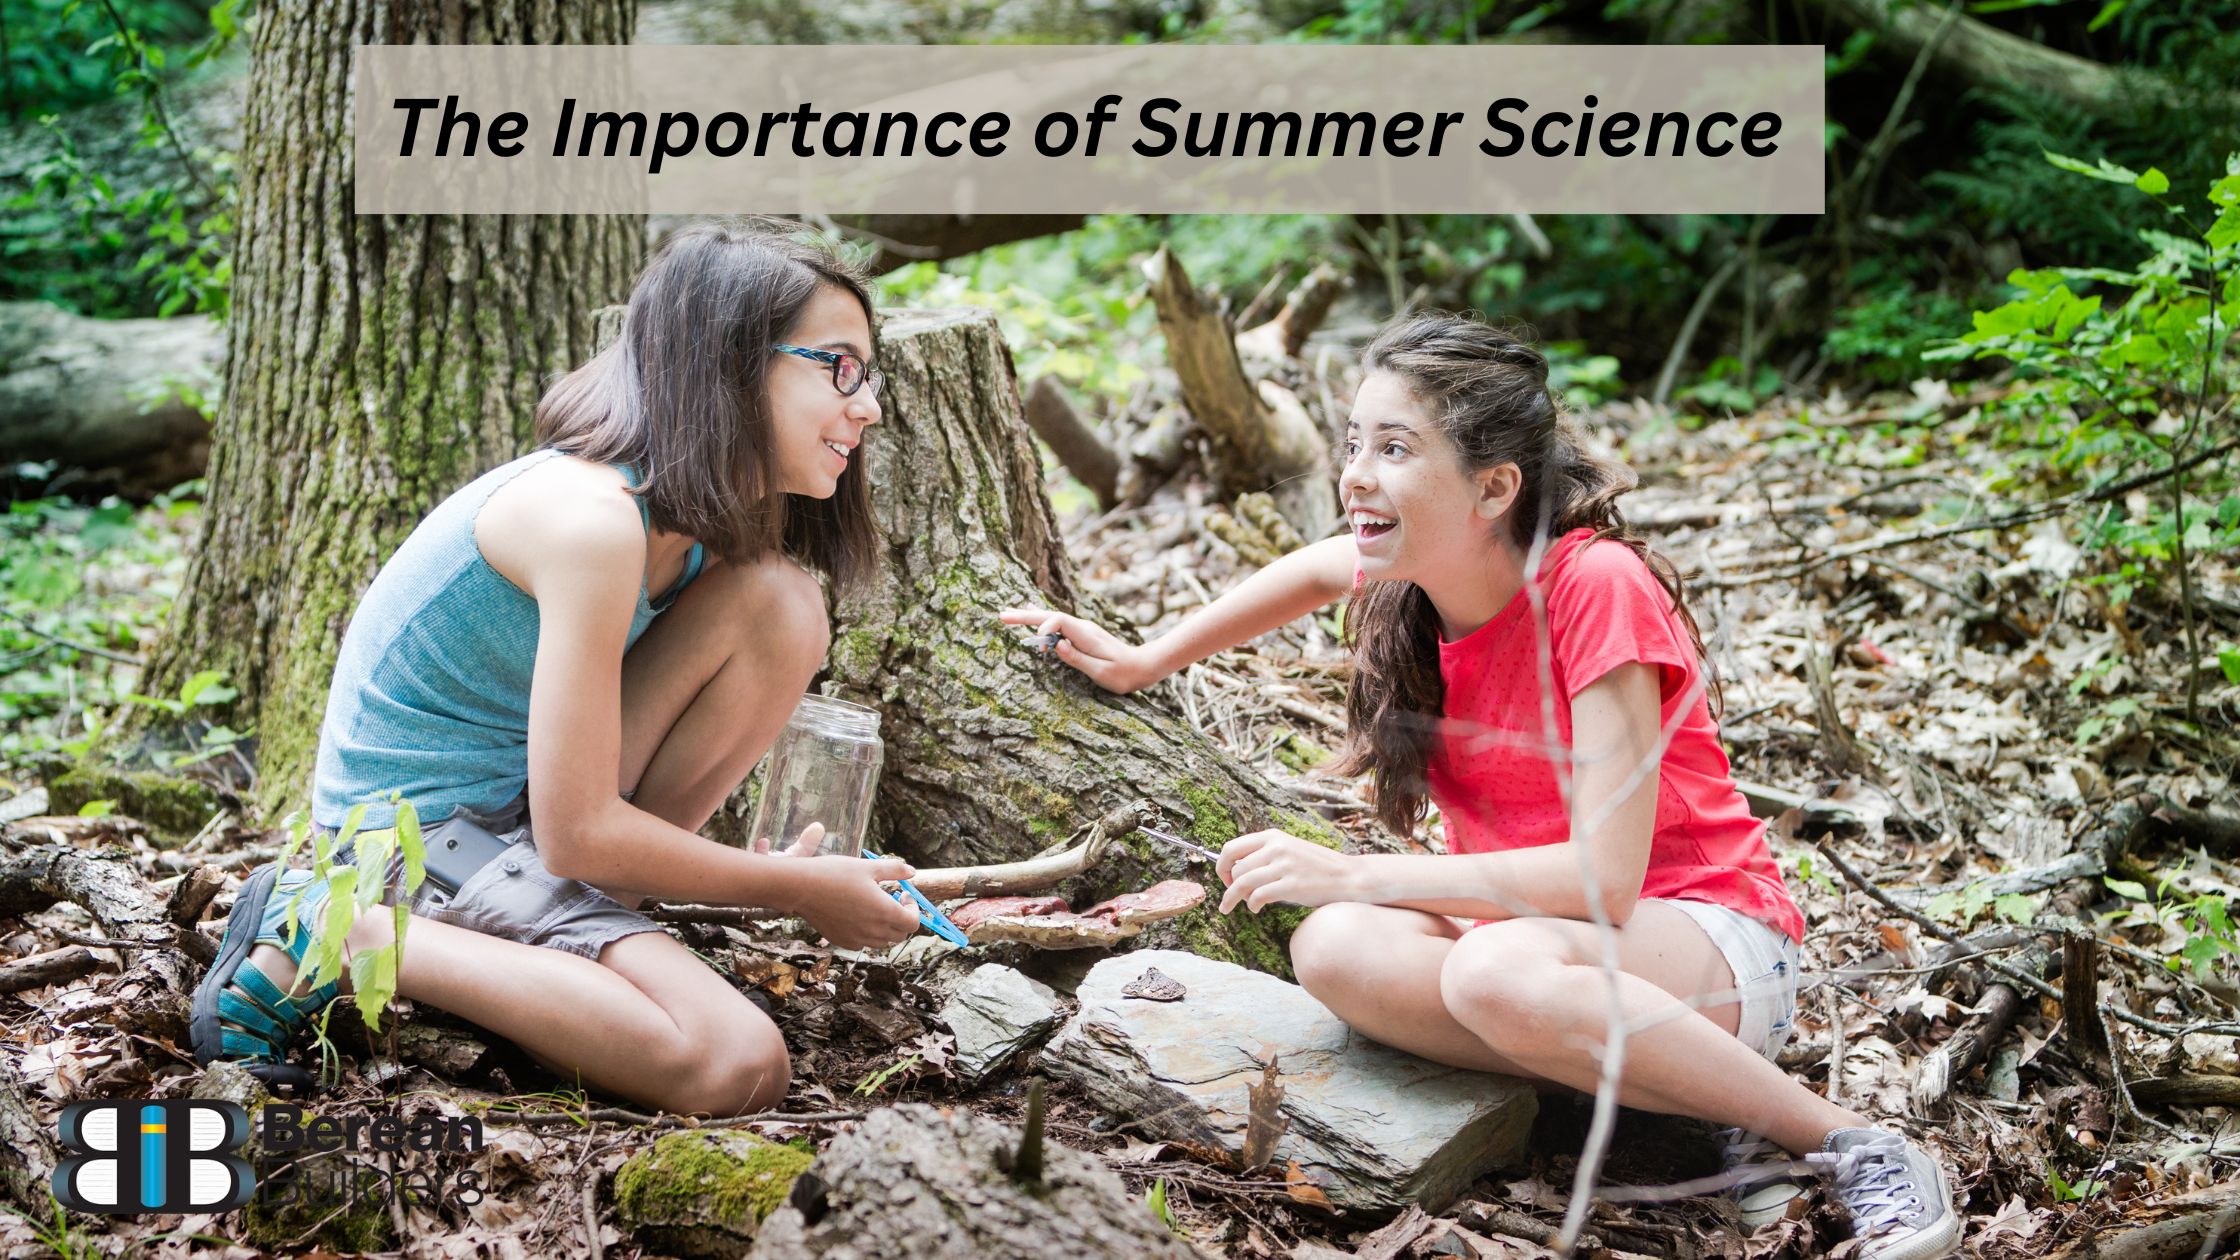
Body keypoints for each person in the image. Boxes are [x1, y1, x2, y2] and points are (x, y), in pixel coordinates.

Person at [1002, 312, 1960, 1260]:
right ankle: (1667, 1099)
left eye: (1394, 448)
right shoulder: (1416, 572)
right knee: (1333, 951)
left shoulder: (1597, 585)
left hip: (1708, 938)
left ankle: (1846, 1140)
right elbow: (1308, 571)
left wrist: (1355, 872)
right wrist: (1140, 661)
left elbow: (1605, 882)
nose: (1356, 473)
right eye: (1353, 442)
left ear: (1494, 486)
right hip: (1540, 942)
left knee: (1482, 969)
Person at [192, 222, 923, 1114]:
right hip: (411, 849)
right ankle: (331, 928)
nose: (869, 406)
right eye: (838, 367)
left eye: (869, 374)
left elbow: (578, 829)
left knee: (782, 605)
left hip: (514, 835)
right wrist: (792, 889)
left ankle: (590, 924)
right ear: (730, 362)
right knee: (735, 1063)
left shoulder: (691, 525)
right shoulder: (591, 519)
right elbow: (580, 833)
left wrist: (771, 880)